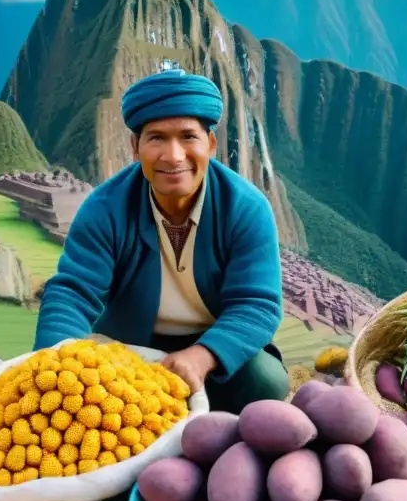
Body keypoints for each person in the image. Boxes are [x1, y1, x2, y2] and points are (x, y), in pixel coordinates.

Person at [33, 68, 288, 413]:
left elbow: (257, 304)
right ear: (135, 148)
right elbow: (74, 291)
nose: (173, 156)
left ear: (211, 145)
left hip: (211, 346)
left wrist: (201, 357)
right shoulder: (104, 209)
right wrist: (53, 364)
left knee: (266, 381)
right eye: (156, 139)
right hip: (130, 348)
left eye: (188, 137)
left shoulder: (245, 208)